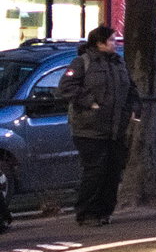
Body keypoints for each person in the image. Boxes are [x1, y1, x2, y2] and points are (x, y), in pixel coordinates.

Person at [58, 26, 141, 226]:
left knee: (112, 171)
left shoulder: (118, 63)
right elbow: (66, 88)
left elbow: (130, 88)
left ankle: (104, 211)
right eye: (112, 40)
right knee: (95, 171)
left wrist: (133, 108)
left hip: (115, 129)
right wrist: (89, 102)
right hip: (89, 129)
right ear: (100, 42)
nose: (116, 43)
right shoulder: (82, 63)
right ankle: (86, 213)